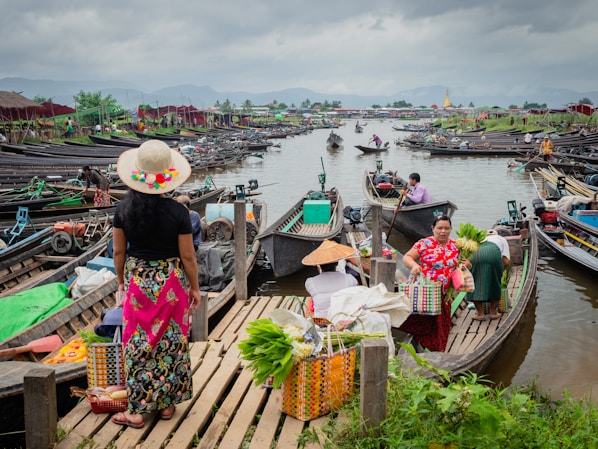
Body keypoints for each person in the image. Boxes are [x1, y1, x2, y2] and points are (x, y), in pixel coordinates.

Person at [111, 139, 201, 428]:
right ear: (167, 176)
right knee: (171, 342)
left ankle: (137, 411)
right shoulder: (179, 213)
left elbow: (118, 252)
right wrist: (195, 288)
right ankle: (166, 406)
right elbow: (187, 256)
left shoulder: (122, 211)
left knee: (138, 344)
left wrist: (122, 281)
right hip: (171, 285)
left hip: (138, 283)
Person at [400, 215, 467, 351]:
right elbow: (407, 257)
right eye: (440, 228)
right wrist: (413, 265)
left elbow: (460, 266)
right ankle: (427, 345)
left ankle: (438, 350)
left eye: (446, 228)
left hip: (444, 294)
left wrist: (467, 265)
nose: (443, 231)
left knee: (442, 327)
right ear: (433, 228)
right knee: (423, 322)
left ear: (450, 229)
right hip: (425, 293)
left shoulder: (455, 246)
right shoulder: (424, 244)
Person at [302, 239, 358, 319]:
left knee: (311, 302)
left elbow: (313, 295)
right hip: (343, 321)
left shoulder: (310, 282)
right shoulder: (350, 279)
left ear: (319, 265)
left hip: (321, 322)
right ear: (337, 263)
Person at [466, 229, 511, 320]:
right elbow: (506, 261)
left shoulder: (478, 240)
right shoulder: (501, 239)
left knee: (474, 281)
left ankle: (480, 314)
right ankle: (493, 313)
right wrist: (499, 272)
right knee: (495, 283)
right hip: (492, 252)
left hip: (476, 253)